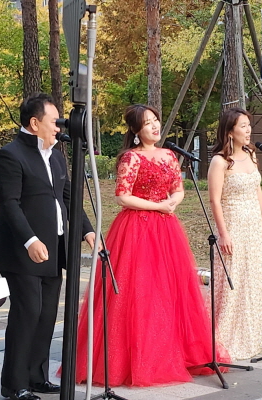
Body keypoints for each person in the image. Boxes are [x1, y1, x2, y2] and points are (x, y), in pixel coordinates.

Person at [74, 104, 228, 387]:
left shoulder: (169, 155)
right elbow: (122, 196)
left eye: (156, 120)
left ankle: (173, 352)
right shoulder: (131, 157)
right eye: (147, 123)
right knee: (139, 291)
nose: (155, 126)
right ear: (136, 130)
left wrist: (172, 202)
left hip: (166, 229)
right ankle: (134, 359)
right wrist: (158, 206)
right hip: (136, 228)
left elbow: (178, 189)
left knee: (169, 289)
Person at [0, 93, 95, 400]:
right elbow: (10, 204)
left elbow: (68, 197)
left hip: (54, 249)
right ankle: (15, 384)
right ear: (34, 123)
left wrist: (88, 230)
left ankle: (37, 377)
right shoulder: (9, 156)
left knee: (47, 314)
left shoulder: (57, 157)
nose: (59, 126)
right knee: (27, 313)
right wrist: (30, 239)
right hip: (22, 252)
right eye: (54, 121)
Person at [207, 107, 262, 360]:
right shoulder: (220, 161)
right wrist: (223, 234)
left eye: (249, 125)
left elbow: (257, 189)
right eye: (243, 126)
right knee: (233, 279)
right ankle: (226, 337)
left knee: (253, 279)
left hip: (253, 224)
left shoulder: (251, 154)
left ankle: (253, 335)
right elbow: (214, 200)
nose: (248, 131)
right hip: (233, 223)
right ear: (230, 131)